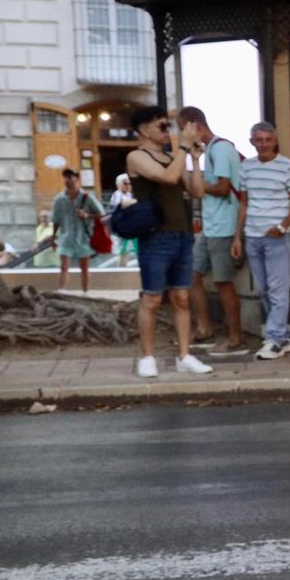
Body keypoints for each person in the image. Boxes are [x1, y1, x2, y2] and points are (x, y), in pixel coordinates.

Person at [121, 106, 213, 378]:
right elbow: (167, 177)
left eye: (167, 126)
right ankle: (147, 357)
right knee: (152, 298)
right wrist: (184, 149)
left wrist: (195, 160)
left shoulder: (172, 156)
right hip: (155, 235)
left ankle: (185, 354)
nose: (167, 131)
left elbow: (196, 190)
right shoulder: (137, 156)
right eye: (162, 127)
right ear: (143, 130)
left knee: (181, 297)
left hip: (182, 234)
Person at [178, 106, 248, 355]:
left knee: (223, 282)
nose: (181, 135)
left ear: (194, 125)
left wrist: (197, 185)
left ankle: (235, 335)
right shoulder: (208, 151)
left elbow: (223, 187)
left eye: (182, 128)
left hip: (224, 227)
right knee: (192, 276)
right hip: (209, 226)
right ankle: (204, 328)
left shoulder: (220, 149)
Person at [238, 121, 290, 360]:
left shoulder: (287, 166)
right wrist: (238, 236)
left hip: (276, 237)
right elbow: (243, 202)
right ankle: (285, 335)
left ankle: (275, 338)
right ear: (252, 142)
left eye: (268, 139)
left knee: (277, 290)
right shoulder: (246, 167)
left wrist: (281, 226)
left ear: (275, 141)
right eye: (259, 140)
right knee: (265, 290)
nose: (264, 144)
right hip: (252, 236)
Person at [50, 168, 102, 293]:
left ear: (77, 178)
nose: (68, 180)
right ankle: (62, 291)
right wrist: (53, 237)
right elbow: (56, 220)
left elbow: (100, 214)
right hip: (66, 237)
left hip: (83, 237)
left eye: (70, 177)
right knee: (64, 266)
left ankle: (85, 292)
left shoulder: (87, 197)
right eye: (66, 177)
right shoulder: (59, 199)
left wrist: (86, 215)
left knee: (84, 268)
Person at [109, 174, 137, 266]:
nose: (128, 185)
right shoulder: (117, 195)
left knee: (126, 251)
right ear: (119, 184)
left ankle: (123, 268)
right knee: (120, 251)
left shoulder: (130, 194)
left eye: (129, 183)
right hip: (120, 227)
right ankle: (120, 269)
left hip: (129, 226)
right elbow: (122, 205)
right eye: (125, 183)